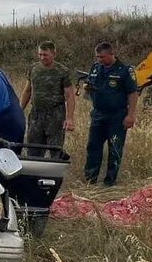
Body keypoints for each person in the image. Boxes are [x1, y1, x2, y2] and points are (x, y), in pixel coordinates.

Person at [82, 42, 138, 186]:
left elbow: (132, 93)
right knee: (93, 147)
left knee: (115, 148)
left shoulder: (124, 70)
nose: (99, 60)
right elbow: (88, 88)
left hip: (117, 116)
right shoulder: (95, 68)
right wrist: (86, 88)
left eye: (102, 57)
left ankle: (109, 182)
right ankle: (90, 180)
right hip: (98, 114)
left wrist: (130, 115)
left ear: (111, 54)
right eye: (97, 57)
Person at [20, 41, 75, 157]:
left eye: (45, 55)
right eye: (40, 54)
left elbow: (70, 95)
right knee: (33, 150)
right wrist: (20, 110)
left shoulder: (62, 71)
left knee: (56, 150)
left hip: (55, 115)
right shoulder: (33, 69)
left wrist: (69, 118)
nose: (42, 57)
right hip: (36, 114)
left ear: (54, 54)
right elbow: (27, 91)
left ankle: (52, 174)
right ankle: (34, 174)